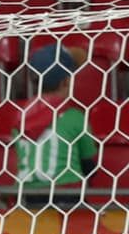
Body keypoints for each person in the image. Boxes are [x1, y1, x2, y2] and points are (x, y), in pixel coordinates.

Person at [13, 43, 96, 207]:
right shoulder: (74, 117)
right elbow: (90, 164)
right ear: (66, 81)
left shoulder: (21, 114)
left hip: (27, 196)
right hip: (67, 194)